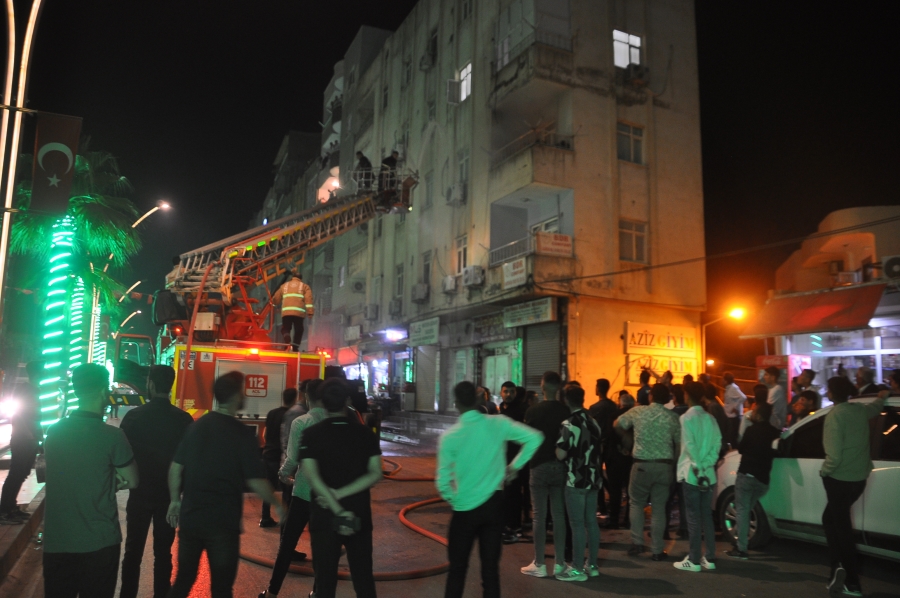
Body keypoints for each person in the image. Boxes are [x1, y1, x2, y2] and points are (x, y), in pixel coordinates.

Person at [167, 372, 284, 598]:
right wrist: (279, 504)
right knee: (221, 589)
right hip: (223, 524)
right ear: (235, 396)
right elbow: (256, 481)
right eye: (243, 391)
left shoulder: (196, 427)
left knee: (183, 582)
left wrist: (174, 501)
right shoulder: (241, 433)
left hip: (192, 519)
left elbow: (175, 467)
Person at [437, 381, 542, 598]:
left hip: (464, 509)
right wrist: (513, 467)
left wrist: (455, 499)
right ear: (479, 400)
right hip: (494, 506)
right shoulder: (499, 423)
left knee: (457, 570)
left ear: (456, 404)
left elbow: (443, 482)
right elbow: (534, 438)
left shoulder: (450, 437)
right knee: (490, 571)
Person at [43, 363, 139, 598]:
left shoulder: (54, 432)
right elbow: (133, 480)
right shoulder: (112, 436)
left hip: (57, 541)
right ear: (103, 391)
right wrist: (110, 481)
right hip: (100, 542)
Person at [299, 378, 383, 598]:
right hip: (358, 514)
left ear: (322, 402)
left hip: (325, 516)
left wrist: (336, 506)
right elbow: (375, 473)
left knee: (325, 583)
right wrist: (342, 497)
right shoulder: (365, 434)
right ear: (347, 400)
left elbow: (313, 478)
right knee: (363, 579)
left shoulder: (311, 435)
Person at [119, 366, 194, 598]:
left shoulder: (133, 417)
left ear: (150, 384)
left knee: (133, 551)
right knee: (163, 553)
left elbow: (121, 456)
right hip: (168, 498)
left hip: (139, 494)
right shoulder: (183, 420)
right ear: (169, 385)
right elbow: (189, 462)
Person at [258, 379, 328, 598]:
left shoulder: (301, 422)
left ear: (307, 396)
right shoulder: (334, 422)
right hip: (326, 496)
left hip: (303, 492)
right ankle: (317, 591)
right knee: (322, 547)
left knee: (287, 545)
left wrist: (283, 474)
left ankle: (272, 592)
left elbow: (293, 457)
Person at [820, 377, 888, 597]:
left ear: (831, 393)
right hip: (859, 479)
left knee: (841, 528)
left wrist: (825, 471)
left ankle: (850, 579)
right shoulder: (858, 410)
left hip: (839, 479)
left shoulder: (834, 416)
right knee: (831, 520)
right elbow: (875, 409)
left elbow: (835, 456)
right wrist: (882, 397)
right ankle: (837, 565)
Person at [615, 383, 681, 560]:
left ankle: (637, 544)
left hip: (641, 465)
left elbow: (617, 424)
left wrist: (628, 439)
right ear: (668, 398)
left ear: (651, 396)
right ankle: (658, 550)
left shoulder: (638, 412)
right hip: (664, 466)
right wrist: (672, 464)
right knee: (659, 508)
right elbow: (678, 445)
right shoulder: (673, 418)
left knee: (636, 503)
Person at [520, 371, 571, 577]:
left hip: (538, 465)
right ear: (558, 387)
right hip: (560, 466)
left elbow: (526, 438)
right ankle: (560, 563)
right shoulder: (566, 411)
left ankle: (539, 564)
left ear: (542, 387)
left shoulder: (532, 411)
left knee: (539, 516)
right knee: (559, 515)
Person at [555, 385, 603, 581]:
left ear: (567, 400)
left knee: (576, 525)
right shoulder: (594, 423)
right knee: (591, 522)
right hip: (594, 478)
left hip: (575, 479)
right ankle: (592, 565)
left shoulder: (569, 423)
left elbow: (561, 453)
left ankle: (576, 569)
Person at [673, 382, 722, 573]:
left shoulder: (686, 418)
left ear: (687, 395)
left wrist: (697, 466)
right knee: (707, 517)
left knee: (693, 518)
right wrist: (706, 464)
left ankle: (693, 560)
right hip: (708, 476)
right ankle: (709, 557)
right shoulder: (711, 418)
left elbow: (689, 445)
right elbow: (717, 444)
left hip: (692, 474)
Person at [726, 401, 780, 560]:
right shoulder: (774, 432)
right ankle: (741, 542)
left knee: (742, 511)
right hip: (762, 479)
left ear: (758, 414)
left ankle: (741, 548)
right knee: (747, 509)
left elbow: (741, 448)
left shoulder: (751, 430)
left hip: (747, 475)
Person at [0, 361, 43, 524]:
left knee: (22, 473)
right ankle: (4, 511)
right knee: (15, 474)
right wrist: (29, 434)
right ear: (37, 373)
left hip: (31, 438)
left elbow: (36, 417)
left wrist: (39, 437)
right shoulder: (24, 389)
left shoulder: (34, 390)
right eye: (42, 372)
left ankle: (12, 507)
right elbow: (17, 414)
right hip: (22, 439)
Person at [260, 387, 297, 528]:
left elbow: (265, 434)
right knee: (286, 490)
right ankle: (285, 519)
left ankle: (265, 518)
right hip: (282, 456)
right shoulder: (291, 415)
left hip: (268, 454)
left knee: (269, 487)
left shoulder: (272, 413)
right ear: (294, 399)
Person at [498, 380, 529, 542]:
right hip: (505, 457)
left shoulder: (521, 410)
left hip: (517, 458)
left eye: (511, 391)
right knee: (509, 492)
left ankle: (515, 526)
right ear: (501, 393)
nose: (508, 395)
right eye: (506, 391)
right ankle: (510, 524)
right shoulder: (502, 409)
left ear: (516, 393)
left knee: (514, 493)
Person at [588, 378, 618, 521]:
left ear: (598, 389)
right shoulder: (614, 406)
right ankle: (613, 507)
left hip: (598, 445)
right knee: (613, 478)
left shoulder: (594, 408)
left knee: (598, 476)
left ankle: (602, 507)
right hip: (612, 446)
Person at [272, 271, 314, 350]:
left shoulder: (284, 286)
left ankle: (287, 341)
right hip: (299, 313)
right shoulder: (305, 286)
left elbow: (276, 298)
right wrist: (310, 312)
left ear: (292, 278)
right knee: (299, 330)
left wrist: (274, 303)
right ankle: (295, 347)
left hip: (286, 313)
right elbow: (309, 299)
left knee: (286, 329)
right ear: (300, 279)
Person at [722, 372, 747, 448]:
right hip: (730, 416)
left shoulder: (733, 387)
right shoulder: (729, 388)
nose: (721, 381)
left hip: (733, 417)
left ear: (726, 381)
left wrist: (735, 407)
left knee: (733, 439)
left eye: (723, 379)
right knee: (731, 438)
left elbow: (743, 397)